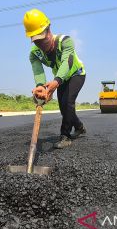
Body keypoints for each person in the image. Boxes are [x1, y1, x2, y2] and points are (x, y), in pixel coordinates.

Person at [23, 9, 87, 149]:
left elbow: (67, 62)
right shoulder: (34, 54)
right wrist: (40, 86)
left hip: (76, 73)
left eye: (42, 38)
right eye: (36, 41)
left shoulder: (65, 41)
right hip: (60, 79)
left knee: (68, 101)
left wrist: (56, 82)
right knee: (63, 108)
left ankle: (65, 136)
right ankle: (80, 127)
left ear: (49, 29)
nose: (41, 44)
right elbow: (38, 71)